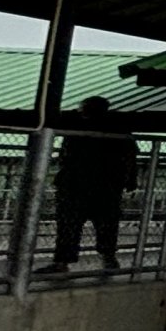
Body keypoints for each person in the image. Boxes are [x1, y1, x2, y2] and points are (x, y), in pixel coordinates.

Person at [49, 96, 139, 272]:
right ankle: (108, 257)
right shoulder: (116, 128)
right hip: (105, 185)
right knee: (105, 224)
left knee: (70, 223)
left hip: (78, 183)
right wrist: (130, 180)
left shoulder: (77, 126)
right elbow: (130, 156)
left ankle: (63, 260)